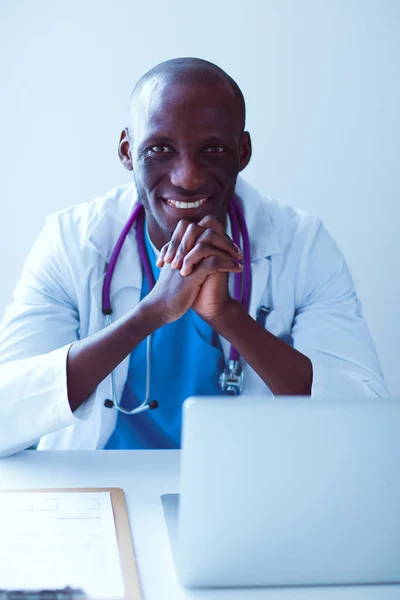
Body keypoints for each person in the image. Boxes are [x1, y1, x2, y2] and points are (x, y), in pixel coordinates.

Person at [0, 57, 388, 457]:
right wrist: (151, 313)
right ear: (127, 152)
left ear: (242, 151)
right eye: (160, 149)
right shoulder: (72, 241)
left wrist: (227, 315)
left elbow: (363, 422)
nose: (188, 177)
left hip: (249, 489)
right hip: (101, 489)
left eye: (214, 149)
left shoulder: (302, 246)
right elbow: (5, 414)